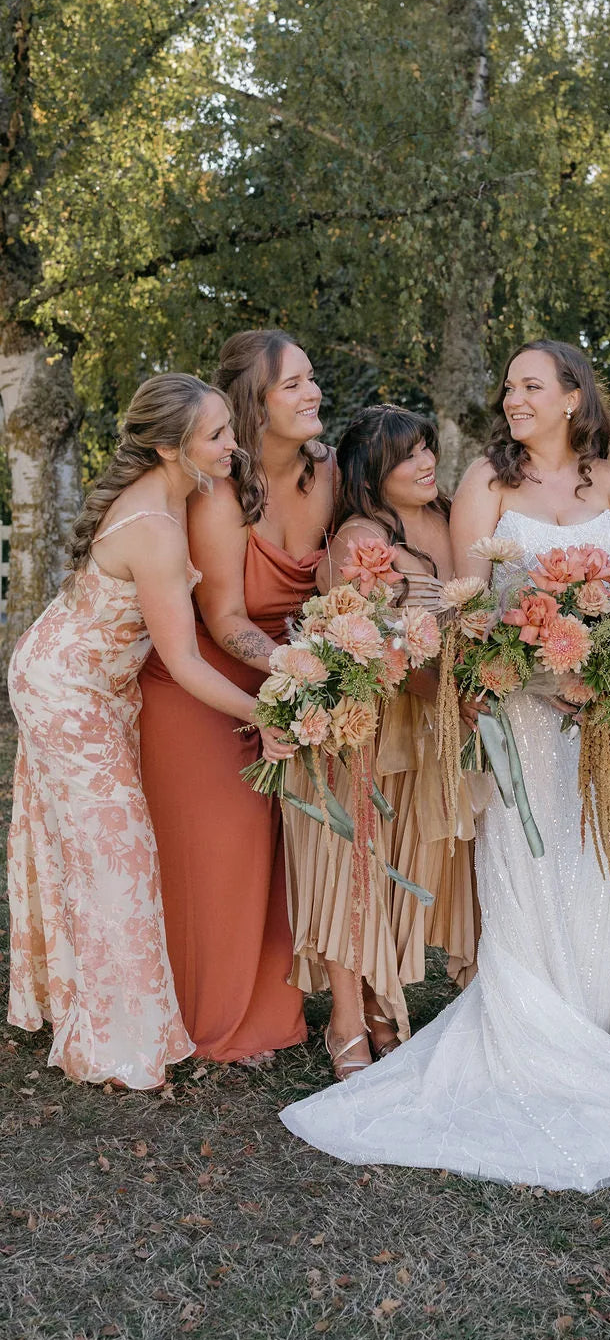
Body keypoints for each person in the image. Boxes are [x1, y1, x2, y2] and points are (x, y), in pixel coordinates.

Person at [279, 340, 610, 1190]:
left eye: (531, 386)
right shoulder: (486, 482)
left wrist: (608, 665)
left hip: (595, 716)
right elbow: (468, 607)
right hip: (515, 711)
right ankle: (523, 1025)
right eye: (508, 385)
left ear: (574, 397)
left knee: (589, 867)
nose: (513, 398)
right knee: (524, 861)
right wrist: (525, 664)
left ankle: (589, 1022)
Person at [6, 373, 292, 1088]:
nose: (233, 444)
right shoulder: (158, 531)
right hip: (63, 688)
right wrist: (267, 713)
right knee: (119, 852)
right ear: (170, 446)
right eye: (217, 434)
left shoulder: (183, 493)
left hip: (98, 687)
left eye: (230, 428)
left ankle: (97, 1010)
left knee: (103, 850)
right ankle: (114, 1043)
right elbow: (186, 660)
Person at [139, 331, 335, 1064]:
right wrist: (294, 675)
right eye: (294, 385)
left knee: (281, 848)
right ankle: (203, 1018)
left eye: (311, 379)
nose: (312, 393)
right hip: (201, 685)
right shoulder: (218, 493)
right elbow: (222, 622)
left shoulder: (328, 474)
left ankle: (268, 1011)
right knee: (224, 848)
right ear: (257, 403)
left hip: (285, 682)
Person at [285, 405, 482, 1079]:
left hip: (425, 727)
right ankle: (346, 1015)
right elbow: (360, 652)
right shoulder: (359, 539)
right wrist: (448, 692)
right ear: (372, 471)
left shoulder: (447, 519)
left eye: (428, 446)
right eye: (408, 455)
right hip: (363, 726)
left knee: (395, 871)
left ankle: (379, 1001)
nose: (427, 461)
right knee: (353, 868)